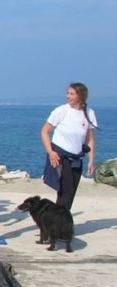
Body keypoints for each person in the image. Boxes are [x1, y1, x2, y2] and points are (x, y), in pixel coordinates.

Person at [41, 82, 98, 210]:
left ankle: (59, 222)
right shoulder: (61, 111)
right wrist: (50, 152)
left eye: (71, 94)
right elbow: (44, 131)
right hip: (59, 156)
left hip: (77, 158)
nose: (68, 96)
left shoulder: (89, 113)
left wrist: (91, 161)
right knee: (66, 190)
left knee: (70, 193)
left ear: (81, 96)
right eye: (67, 93)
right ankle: (59, 223)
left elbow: (90, 139)